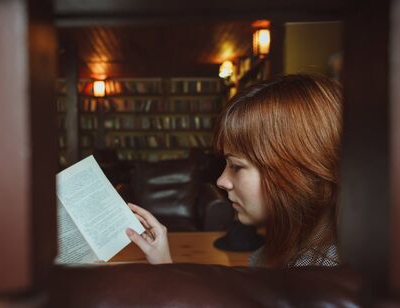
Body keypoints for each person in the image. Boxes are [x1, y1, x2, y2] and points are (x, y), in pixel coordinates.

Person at [125, 73, 342, 268]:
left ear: (294, 170)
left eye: (236, 167)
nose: (221, 181)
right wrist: (164, 264)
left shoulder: (316, 278)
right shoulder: (296, 251)